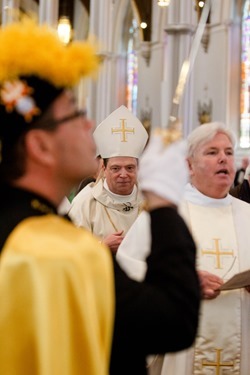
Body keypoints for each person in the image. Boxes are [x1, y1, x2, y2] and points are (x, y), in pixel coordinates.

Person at [0, 19, 201, 375]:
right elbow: (172, 322)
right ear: (40, 146)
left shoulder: (23, 227)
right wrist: (164, 205)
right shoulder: (63, 251)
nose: (87, 125)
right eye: (75, 115)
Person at [117, 122, 250, 374]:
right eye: (212, 152)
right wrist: (180, 283)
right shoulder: (164, 214)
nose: (223, 158)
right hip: (181, 350)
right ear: (188, 166)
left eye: (229, 152)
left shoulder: (248, 215)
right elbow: (127, 273)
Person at [69, 105, 149, 253]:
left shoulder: (150, 203)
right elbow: (69, 252)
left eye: (130, 168)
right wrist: (102, 246)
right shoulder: (85, 204)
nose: (123, 174)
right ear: (104, 169)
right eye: (116, 168)